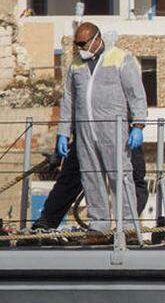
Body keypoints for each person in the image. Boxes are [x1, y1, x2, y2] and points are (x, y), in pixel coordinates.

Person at [55, 22, 147, 233]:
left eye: (82, 43)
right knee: (90, 176)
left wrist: (138, 125)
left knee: (120, 176)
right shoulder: (76, 65)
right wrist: (63, 132)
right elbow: (69, 100)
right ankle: (99, 227)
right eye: (76, 44)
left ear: (96, 39)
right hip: (86, 130)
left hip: (114, 129)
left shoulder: (121, 58)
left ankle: (128, 227)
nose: (79, 48)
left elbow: (136, 93)